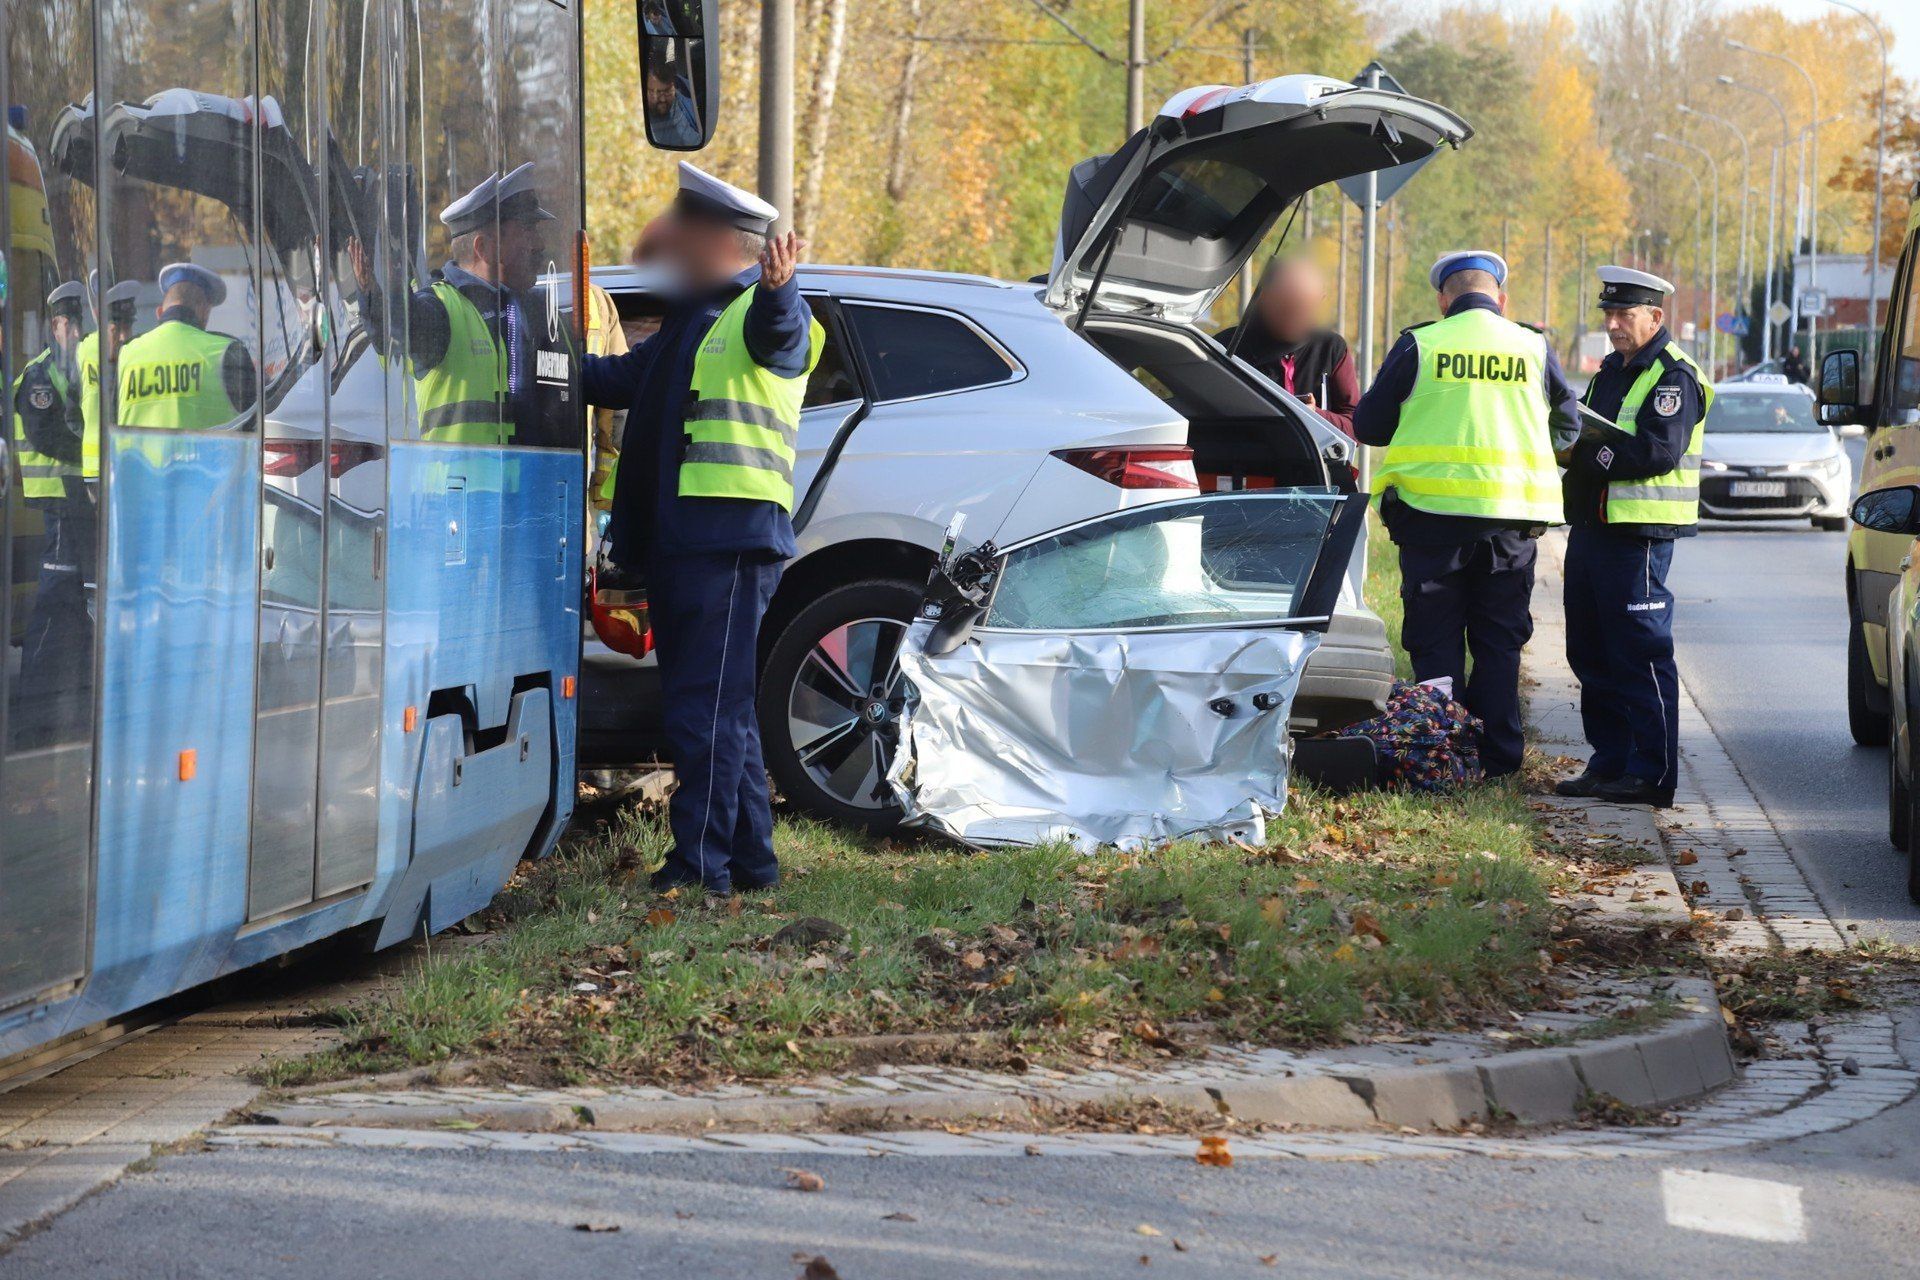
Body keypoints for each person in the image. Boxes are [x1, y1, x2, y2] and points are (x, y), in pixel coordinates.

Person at [582, 163, 822, 895]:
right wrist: (537, 358)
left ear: (722, 240)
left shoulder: (764, 310)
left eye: (684, 231)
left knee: (702, 711)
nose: (671, 242)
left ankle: (698, 870)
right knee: (723, 709)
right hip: (688, 541)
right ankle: (750, 863)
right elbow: (617, 379)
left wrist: (781, 290)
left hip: (728, 541)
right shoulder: (695, 319)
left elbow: (782, 335)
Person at [1354, 250, 1579, 778]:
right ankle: (1499, 757)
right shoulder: (1533, 346)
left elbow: (1367, 424)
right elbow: (1567, 429)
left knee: (1435, 640)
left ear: (1443, 299)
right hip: (1509, 524)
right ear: (1500, 299)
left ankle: (1442, 754)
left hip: (1431, 521)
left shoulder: (1421, 343)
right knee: (1498, 642)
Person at [1554, 267, 1711, 808]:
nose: (1614, 325)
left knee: (1639, 654)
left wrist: (1587, 455)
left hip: (1638, 535)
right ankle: (1610, 763)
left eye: (1625, 315)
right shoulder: (1613, 368)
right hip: (1595, 528)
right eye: (1609, 315)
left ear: (1655, 317)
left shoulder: (1674, 375)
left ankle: (1652, 774)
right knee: (1591, 650)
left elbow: (1655, 452)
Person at [355, 162, 573, 446]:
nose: (540, 244)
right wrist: (376, 287)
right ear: (483, 249)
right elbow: (400, 325)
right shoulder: (441, 309)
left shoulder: (539, 311)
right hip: (461, 488)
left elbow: (581, 379)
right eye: (527, 231)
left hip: (531, 485)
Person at [10, 282, 90, 745]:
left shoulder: (79, 367)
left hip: (76, 496)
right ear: (54, 325)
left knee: (74, 601)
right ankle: (33, 713)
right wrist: (91, 453)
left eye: (79, 324)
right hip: (56, 497)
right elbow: (46, 437)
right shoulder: (41, 375)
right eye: (68, 324)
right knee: (54, 596)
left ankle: (65, 703)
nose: (75, 332)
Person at [1218, 256, 1359, 436]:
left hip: (1316, 463)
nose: (1293, 321)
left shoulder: (1331, 349)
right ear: (1264, 297)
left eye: (1303, 310)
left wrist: (1316, 416)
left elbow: (1357, 426)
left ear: (1320, 301)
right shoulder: (1224, 349)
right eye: (1286, 308)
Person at [115, 263, 256, 430]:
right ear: (204, 310)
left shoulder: (126, 353)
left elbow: (111, 421)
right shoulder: (228, 351)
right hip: (209, 456)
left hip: (138, 457)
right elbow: (254, 424)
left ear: (160, 312)